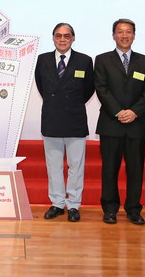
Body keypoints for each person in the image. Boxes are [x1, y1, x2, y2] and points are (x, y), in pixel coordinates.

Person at [94, 19, 145, 225]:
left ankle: (133, 209)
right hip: (111, 123)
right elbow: (102, 89)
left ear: (134, 35)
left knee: (135, 169)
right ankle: (110, 209)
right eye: (120, 32)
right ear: (113, 35)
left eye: (128, 31)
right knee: (109, 169)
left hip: (136, 124)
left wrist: (134, 112)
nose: (124, 35)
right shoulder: (102, 60)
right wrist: (119, 112)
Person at [34, 23, 95, 222]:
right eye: (58, 36)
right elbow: (41, 85)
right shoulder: (42, 60)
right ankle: (57, 203)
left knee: (76, 165)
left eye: (66, 36)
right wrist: (56, 103)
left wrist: (72, 103)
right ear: (53, 38)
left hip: (75, 118)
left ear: (73, 38)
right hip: (52, 118)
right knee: (54, 165)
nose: (62, 39)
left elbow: (88, 90)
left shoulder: (84, 61)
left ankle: (74, 205)